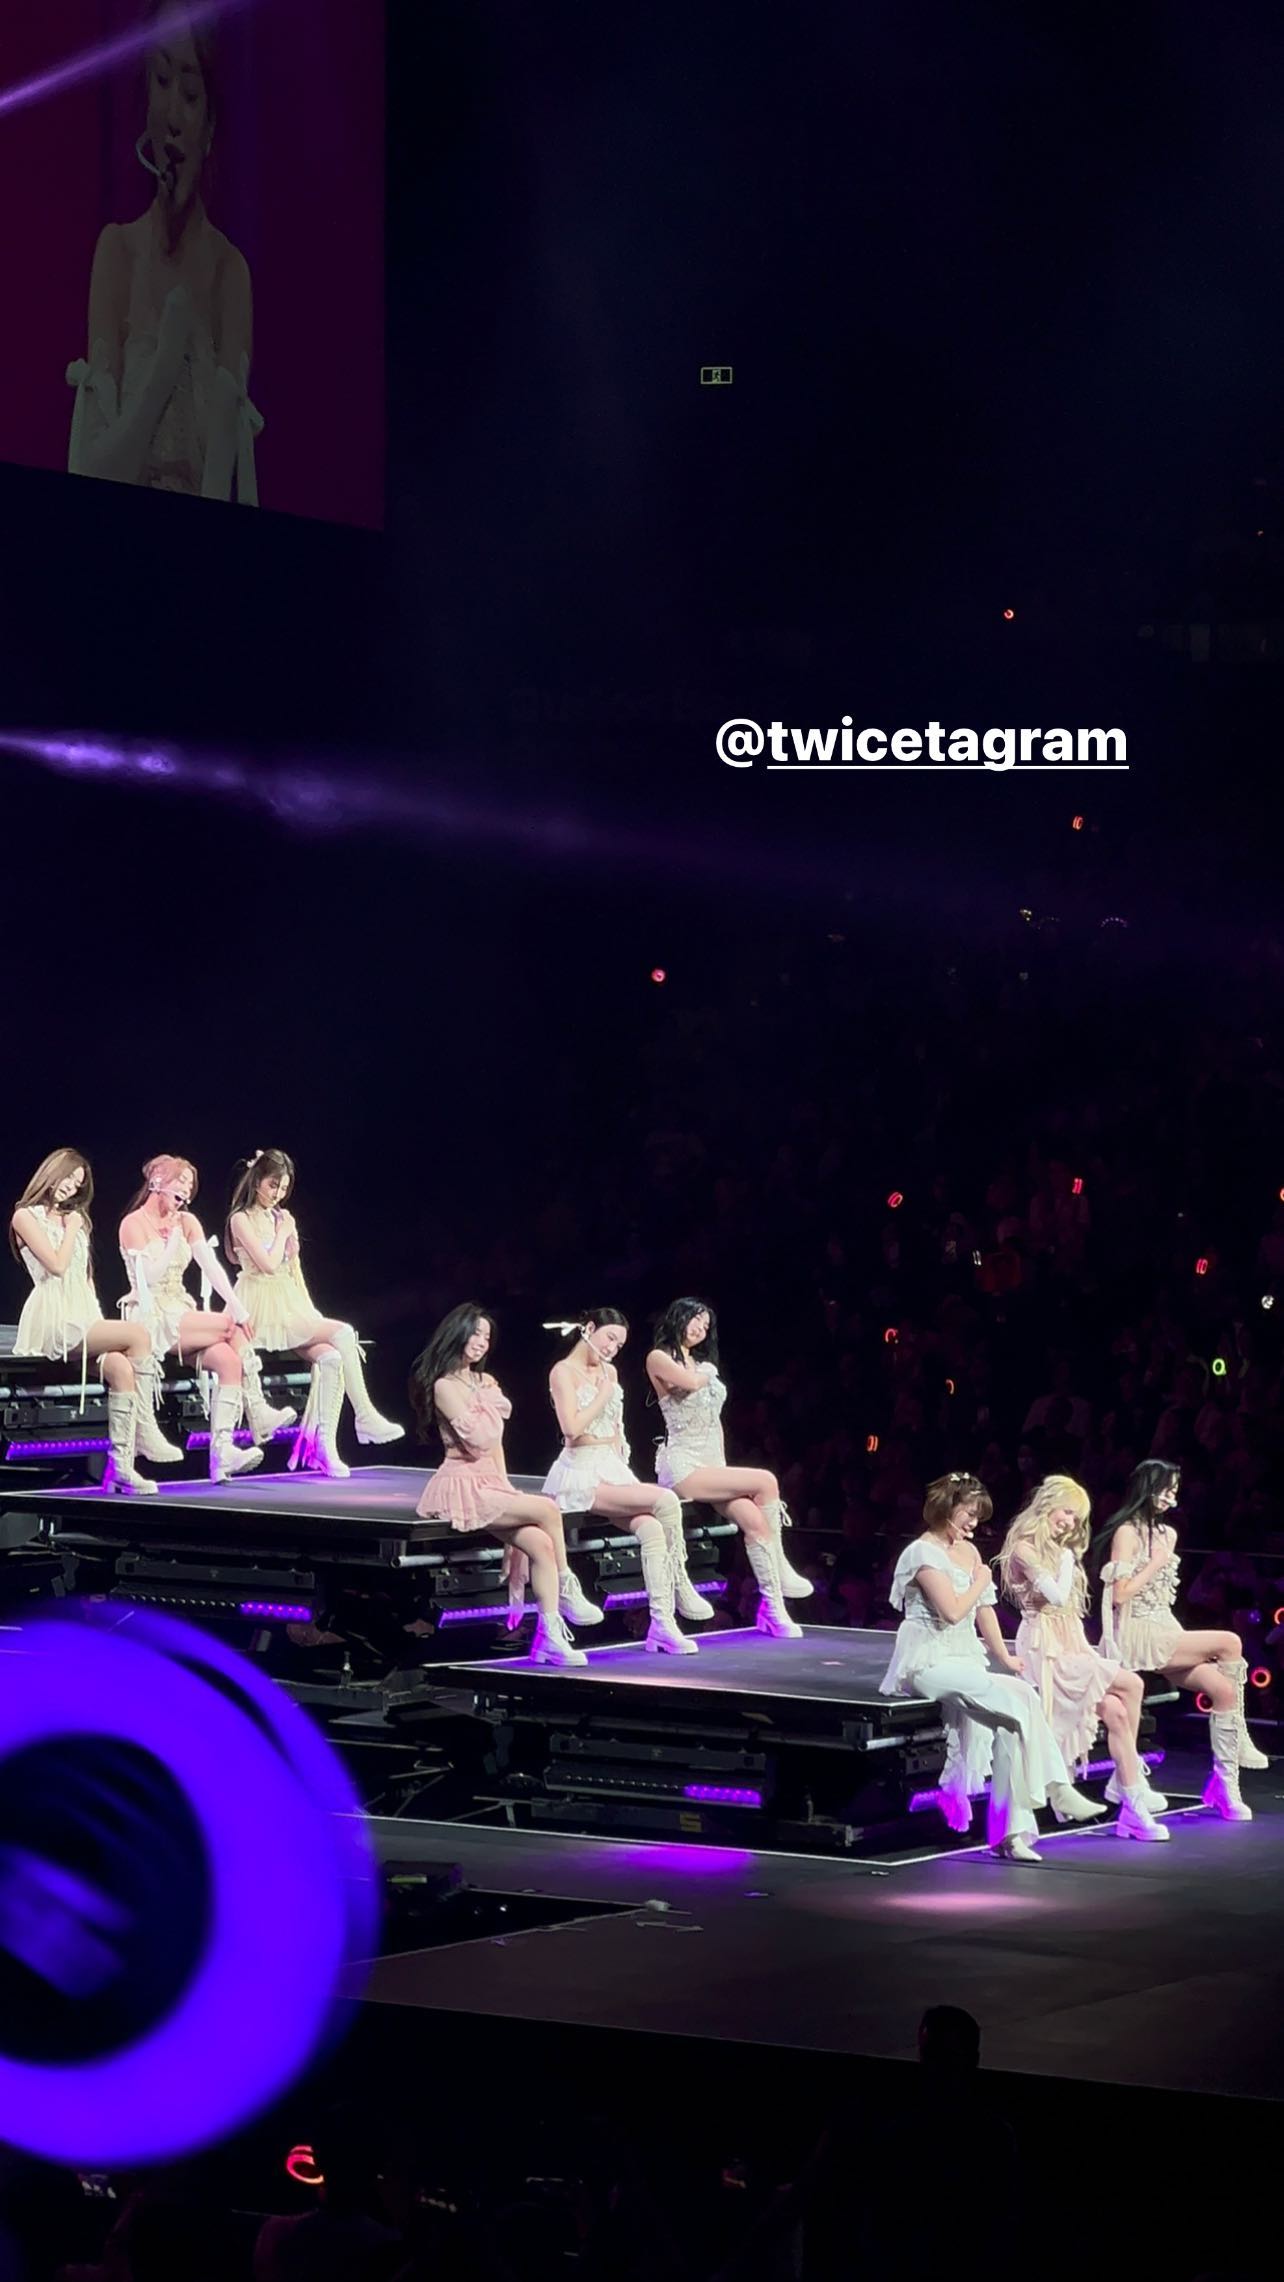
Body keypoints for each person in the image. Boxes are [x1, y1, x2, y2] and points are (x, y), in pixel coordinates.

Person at [66, 3, 261, 500]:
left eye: (191, 94)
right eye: (161, 80)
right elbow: (94, 472)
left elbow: (223, 484)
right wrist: (166, 363)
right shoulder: (117, 252)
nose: (173, 114)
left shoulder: (229, 273)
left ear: (211, 125)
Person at [879, 1472, 1104, 1862]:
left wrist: (1004, 1656)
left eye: (977, 1516)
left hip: (964, 1658)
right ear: (947, 1508)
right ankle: (1056, 1787)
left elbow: (984, 1610)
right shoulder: (921, 1553)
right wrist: (981, 1578)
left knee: (1016, 1711)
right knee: (1013, 1707)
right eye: (969, 1514)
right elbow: (952, 1612)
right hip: (927, 1661)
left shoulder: (969, 1552)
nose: (974, 1523)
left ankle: (1009, 1833)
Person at [409, 1305, 599, 1666]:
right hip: (461, 1484)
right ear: (457, 1333)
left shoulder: (486, 1382)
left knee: (541, 1543)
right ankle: (566, 1586)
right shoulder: (445, 1386)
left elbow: (495, 1446)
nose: (482, 1342)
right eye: (475, 1333)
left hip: (489, 1483)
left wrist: (505, 1488)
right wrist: (486, 1405)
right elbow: (478, 1441)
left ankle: (548, 1636)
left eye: (487, 1336)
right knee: (547, 1508)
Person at [999, 1475, 1169, 1842]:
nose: (1070, 1523)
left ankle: (1131, 1806)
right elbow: (1056, 1597)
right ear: (1047, 1506)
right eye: (1067, 1513)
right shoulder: (1025, 1549)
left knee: (1117, 1712)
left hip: (1071, 1642)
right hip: (1046, 1648)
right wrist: (1064, 1560)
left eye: (1076, 1518)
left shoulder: (1059, 1551)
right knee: (1132, 1683)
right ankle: (1130, 1783)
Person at [1096, 1459, 1268, 1821]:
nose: (1170, 1496)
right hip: (1137, 1631)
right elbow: (1119, 1596)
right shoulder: (1127, 1532)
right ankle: (1241, 1738)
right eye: (1165, 1488)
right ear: (1147, 1488)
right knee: (1230, 1642)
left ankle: (1224, 1785)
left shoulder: (1168, 1534)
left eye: (1174, 1490)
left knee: (1222, 1690)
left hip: (1165, 1628)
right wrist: (1154, 1564)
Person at [10, 1146, 179, 1495]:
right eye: (68, 1178)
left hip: (82, 1314)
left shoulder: (76, 1220)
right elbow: (56, 1266)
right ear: (52, 1172)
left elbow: (84, 1277)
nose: (71, 1187)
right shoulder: (25, 1216)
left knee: (120, 1367)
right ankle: (145, 1429)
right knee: (138, 1334)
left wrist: (99, 1320)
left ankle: (121, 1468)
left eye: (77, 1183)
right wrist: (72, 1227)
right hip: (54, 1316)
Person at [541, 1311, 711, 1654]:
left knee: (651, 1529)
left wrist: (620, 1450)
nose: (612, 1348)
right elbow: (571, 1429)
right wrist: (602, 1395)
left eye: (619, 1344)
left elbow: (616, 1424)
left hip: (611, 1466)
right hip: (580, 1471)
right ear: (589, 1329)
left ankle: (662, 1624)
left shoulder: (610, 1371)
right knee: (665, 1500)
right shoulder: (563, 1371)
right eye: (609, 1338)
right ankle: (679, 1579)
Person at [227, 1148, 403, 1476]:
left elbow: (291, 1268)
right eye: (273, 1185)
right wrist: (284, 1231)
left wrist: (308, 1305)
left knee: (332, 1358)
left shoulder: (279, 1217)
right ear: (257, 1180)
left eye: (283, 1188)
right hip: (259, 1305)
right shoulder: (241, 1218)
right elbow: (266, 1265)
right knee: (344, 1332)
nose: (278, 1194)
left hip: (287, 1302)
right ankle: (365, 1415)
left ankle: (324, 1447)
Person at [119, 1154, 294, 1483]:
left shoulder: (187, 1221)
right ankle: (257, 1410)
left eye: (190, 1184)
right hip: (151, 1315)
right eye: (180, 1181)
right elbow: (148, 1279)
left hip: (182, 1312)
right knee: (230, 1325)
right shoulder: (133, 1223)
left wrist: (237, 1306)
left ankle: (222, 1454)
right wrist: (171, 1244)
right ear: (158, 1182)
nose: (186, 1190)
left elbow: (211, 1267)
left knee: (229, 1361)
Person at [645, 1297, 810, 1641]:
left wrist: (720, 1467)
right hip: (683, 1465)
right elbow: (690, 1384)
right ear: (679, 1318)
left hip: (711, 1464)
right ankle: (781, 1567)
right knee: (766, 1480)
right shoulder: (660, 1357)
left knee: (755, 1521)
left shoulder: (700, 1364)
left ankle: (773, 1608)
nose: (700, 1329)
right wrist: (707, 1372)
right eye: (696, 1320)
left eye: (706, 1326)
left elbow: (714, 1421)